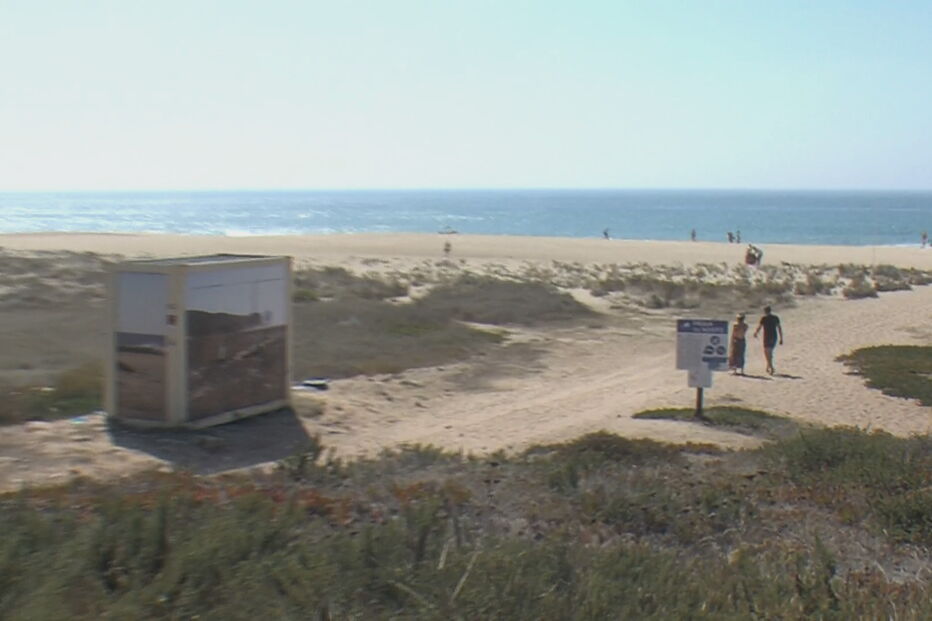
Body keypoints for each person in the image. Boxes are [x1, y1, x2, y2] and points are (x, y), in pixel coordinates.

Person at [753, 306, 783, 375]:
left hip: (767, 337)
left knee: (767, 352)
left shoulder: (764, 318)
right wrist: (781, 338)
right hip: (774, 336)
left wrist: (756, 333)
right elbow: (779, 328)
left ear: (765, 311)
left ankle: (771, 366)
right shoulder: (775, 318)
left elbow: (759, 327)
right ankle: (768, 365)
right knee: (770, 352)